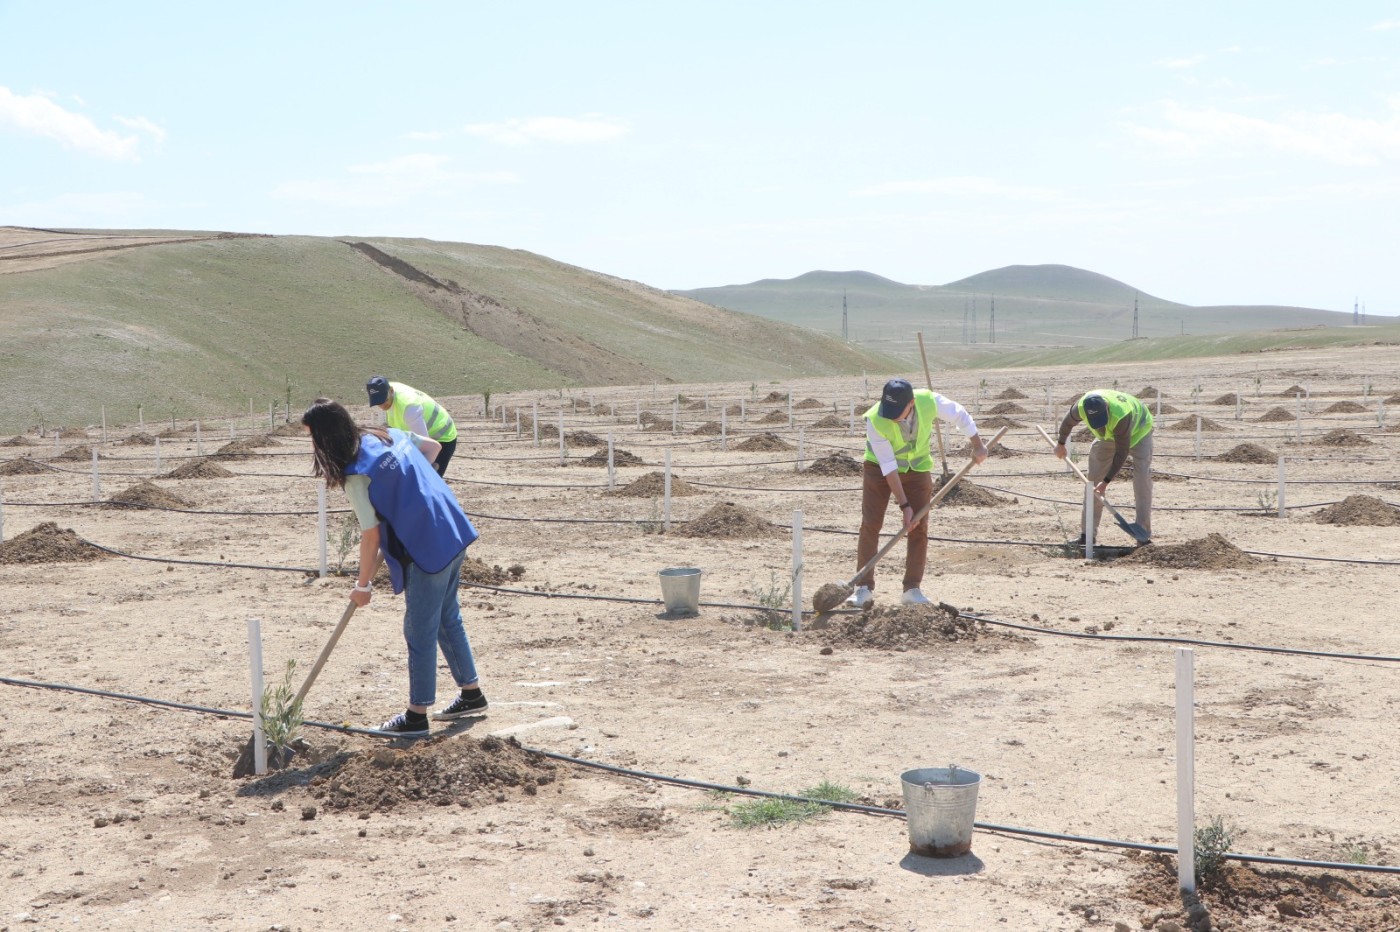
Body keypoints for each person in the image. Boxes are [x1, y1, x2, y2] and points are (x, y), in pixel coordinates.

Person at [302, 398, 487, 736]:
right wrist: (415, 492)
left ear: (324, 438)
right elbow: (431, 449)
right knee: (447, 616)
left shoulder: (356, 474)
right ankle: (471, 693)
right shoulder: (387, 434)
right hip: (452, 526)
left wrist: (362, 586)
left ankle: (416, 715)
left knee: (419, 629)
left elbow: (371, 537)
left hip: (426, 547)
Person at [848, 378, 988, 607]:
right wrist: (904, 505)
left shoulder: (928, 401)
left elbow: (960, 414)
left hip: (918, 470)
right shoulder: (875, 419)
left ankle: (912, 589)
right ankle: (863, 587)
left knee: (919, 527)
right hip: (879, 470)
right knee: (871, 524)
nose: (891, 416)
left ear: (911, 403)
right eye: (888, 409)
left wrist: (977, 444)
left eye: (897, 411)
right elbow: (888, 467)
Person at [1053, 389, 1155, 545]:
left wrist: (1106, 481)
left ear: (1107, 407)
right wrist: (1060, 444)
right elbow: (1067, 423)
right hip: (1107, 437)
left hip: (1139, 432)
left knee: (1142, 477)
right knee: (1092, 482)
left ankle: (1142, 532)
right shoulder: (1081, 407)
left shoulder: (1121, 414)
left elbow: (1122, 452)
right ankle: (1087, 535)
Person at [366, 376, 459, 476]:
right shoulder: (386, 389)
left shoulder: (410, 408)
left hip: (442, 436)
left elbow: (424, 447)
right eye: (377, 402)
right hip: (421, 433)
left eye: (384, 400)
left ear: (391, 390)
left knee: (427, 480)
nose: (382, 406)